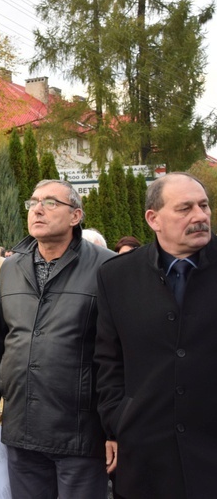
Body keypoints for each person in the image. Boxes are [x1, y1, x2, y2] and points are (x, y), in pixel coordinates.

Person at [0, 179, 116, 499]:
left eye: (51, 203)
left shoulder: (106, 266)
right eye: (34, 201)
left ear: (76, 216)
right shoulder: (11, 268)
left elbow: (118, 355)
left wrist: (115, 428)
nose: (38, 208)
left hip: (80, 431)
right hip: (21, 428)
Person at [95, 172, 217, 498]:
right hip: (145, 457)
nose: (200, 216)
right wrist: (119, 420)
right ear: (154, 218)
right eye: (185, 208)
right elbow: (108, 359)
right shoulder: (116, 276)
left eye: (204, 206)